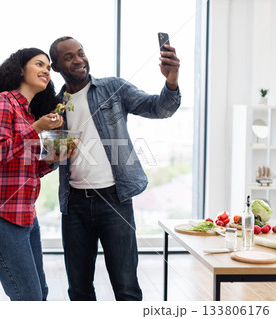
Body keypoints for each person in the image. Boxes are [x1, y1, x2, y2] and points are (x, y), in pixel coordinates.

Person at [49, 36, 181, 301]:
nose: (78, 60)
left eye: (81, 53)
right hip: (74, 205)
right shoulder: (54, 104)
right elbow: (52, 158)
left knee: (126, 288)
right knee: (78, 289)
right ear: (55, 67)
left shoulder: (113, 88)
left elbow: (160, 108)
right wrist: (54, 149)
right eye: (69, 57)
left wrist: (172, 79)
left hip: (114, 201)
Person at [0, 48, 73, 301]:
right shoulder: (3, 102)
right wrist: (37, 127)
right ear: (20, 69)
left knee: (40, 293)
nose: (46, 71)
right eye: (39, 64)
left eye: (49, 68)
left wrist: (54, 158)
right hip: (1, 216)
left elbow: (24, 167)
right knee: (28, 297)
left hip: (25, 214)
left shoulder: (26, 112)